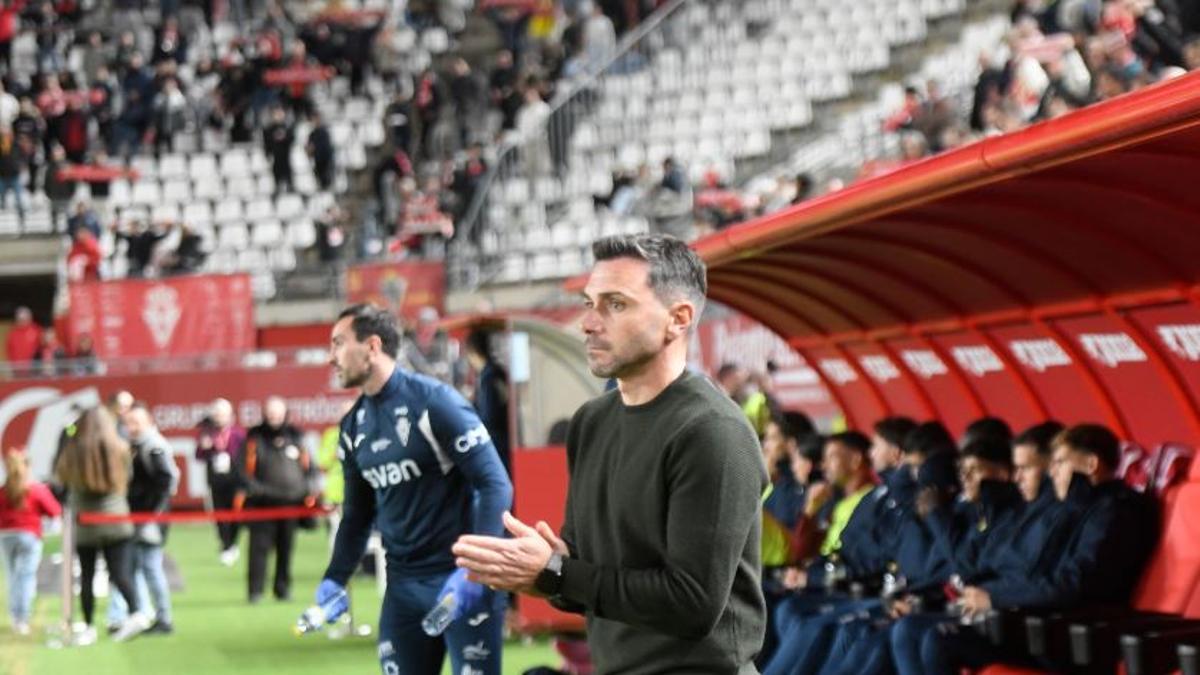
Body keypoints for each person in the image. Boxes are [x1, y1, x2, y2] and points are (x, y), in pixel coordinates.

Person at [452, 234, 768, 673]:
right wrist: (547, 570)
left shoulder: (712, 432)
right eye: (589, 303)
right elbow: (589, 576)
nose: (589, 322)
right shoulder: (591, 422)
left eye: (615, 305)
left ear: (678, 319)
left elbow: (693, 604)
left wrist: (561, 573)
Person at [316, 304, 513, 675]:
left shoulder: (435, 402)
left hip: (459, 582)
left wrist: (477, 568)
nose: (331, 357)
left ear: (372, 346)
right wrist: (336, 578)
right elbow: (358, 515)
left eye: (338, 344)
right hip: (402, 589)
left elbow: (495, 483)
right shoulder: (353, 426)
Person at [55, 407, 151, 643]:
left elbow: (61, 480)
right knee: (120, 573)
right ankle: (137, 611)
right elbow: (127, 479)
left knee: (86, 576)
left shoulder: (73, 451)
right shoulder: (120, 449)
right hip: (116, 520)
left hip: (85, 524)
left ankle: (88, 627)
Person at [236, 396, 316, 603]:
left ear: (285, 414)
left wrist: (305, 490)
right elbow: (242, 471)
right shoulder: (254, 438)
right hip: (263, 505)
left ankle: (282, 589)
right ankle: (255, 591)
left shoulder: (296, 437)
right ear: (264, 414)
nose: (274, 417)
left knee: (286, 549)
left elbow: (309, 468)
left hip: (291, 504)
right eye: (271, 413)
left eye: (278, 413)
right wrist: (258, 490)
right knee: (258, 550)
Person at [111, 404, 179, 635]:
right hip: (141, 518)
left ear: (148, 421)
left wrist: (151, 514)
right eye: (128, 422)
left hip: (149, 520)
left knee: (149, 567)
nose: (131, 427)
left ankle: (162, 618)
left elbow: (167, 481)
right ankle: (145, 614)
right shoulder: (138, 445)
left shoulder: (153, 447)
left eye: (136, 422)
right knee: (138, 567)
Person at [0, 448, 61, 635]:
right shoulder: (36, 489)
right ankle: (22, 618)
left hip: (6, 536)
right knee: (25, 577)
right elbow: (55, 511)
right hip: (29, 536)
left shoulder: (4, 490)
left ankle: (15, 616)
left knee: (12, 577)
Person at [195, 399, 247, 566]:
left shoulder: (238, 434)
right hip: (216, 481)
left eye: (222, 414)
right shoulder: (207, 434)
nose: (219, 418)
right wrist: (205, 447)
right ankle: (225, 545)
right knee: (219, 515)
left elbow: (246, 456)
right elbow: (199, 456)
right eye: (216, 414)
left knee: (236, 514)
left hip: (235, 480)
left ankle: (232, 543)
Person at [464, 328, 511, 475]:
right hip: (504, 442)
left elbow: (489, 417)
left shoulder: (488, 378)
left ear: (472, 352)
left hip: (497, 447)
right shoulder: (497, 372)